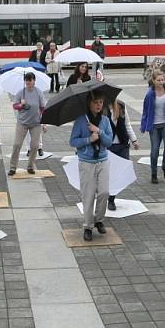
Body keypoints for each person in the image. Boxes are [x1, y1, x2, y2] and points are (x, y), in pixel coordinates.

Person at [70, 90, 113, 241]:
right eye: (95, 102)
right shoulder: (81, 120)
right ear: (89, 103)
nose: (98, 105)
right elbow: (73, 141)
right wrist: (89, 139)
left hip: (102, 160)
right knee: (88, 196)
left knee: (104, 192)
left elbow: (109, 142)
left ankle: (99, 219)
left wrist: (99, 131)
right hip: (86, 162)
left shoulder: (105, 121)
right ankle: (88, 226)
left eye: (101, 102)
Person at [8, 72, 46, 176]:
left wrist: (45, 123)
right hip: (22, 122)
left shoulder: (39, 92)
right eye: (27, 81)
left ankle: (30, 166)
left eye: (31, 81)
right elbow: (15, 106)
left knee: (34, 146)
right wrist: (21, 104)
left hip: (36, 123)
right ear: (25, 81)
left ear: (34, 81)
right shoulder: (21, 92)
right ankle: (12, 167)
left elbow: (42, 108)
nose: (29, 83)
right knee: (17, 144)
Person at [105, 98, 139, 211]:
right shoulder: (102, 108)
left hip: (122, 145)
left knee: (121, 172)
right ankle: (110, 198)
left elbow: (127, 124)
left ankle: (112, 197)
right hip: (108, 147)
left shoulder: (121, 106)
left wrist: (134, 140)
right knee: (110, 173)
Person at [140, 72, 165, 184]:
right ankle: (154, 173)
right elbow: (145, 111)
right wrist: (143, 125)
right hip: (154, 125)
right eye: (158, 80)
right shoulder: (150, 94)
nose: (161, 82)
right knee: (155, 150)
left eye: (162, 80)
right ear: (153, 81)